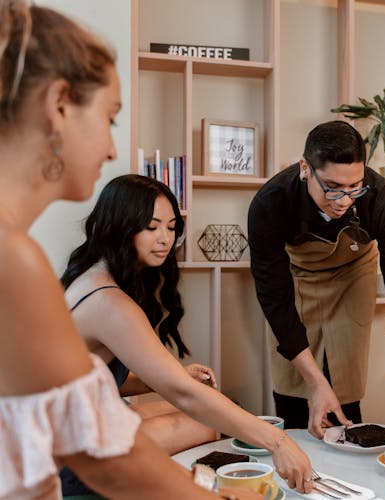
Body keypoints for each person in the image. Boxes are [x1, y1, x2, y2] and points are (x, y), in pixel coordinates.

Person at [0, 2, 254, 498]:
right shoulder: (15, 259)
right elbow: (105, 461)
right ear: (58, 106)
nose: (112, 150)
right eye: (110, 118)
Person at [59, 174, 314, 496]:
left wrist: (169, 375)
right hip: (76, 452)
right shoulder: (108, 301)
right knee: (213, 419)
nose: (164, 238)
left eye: (170, 227)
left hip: (84, 422)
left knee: (222, 410)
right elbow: (183, 394)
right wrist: (280, 441)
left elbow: (92, 376)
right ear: (119, 226)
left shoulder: (88, 276)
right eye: (151, 227)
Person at [247, 120, 385, 437]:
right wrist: (316, 384)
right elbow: (275, 301)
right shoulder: (270, 203)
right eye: (332, 187)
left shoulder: (382, 200)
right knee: (293, 384)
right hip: (296, 274)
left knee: (344, 381)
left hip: (352, 272)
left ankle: (347, 461)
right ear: (305, 168)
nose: (344, 199)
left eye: (354, 187)